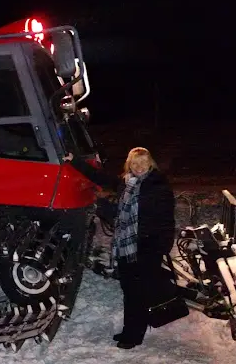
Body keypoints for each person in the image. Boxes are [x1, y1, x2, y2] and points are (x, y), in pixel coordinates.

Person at [63, 147, 176, 349]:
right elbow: (101, 177)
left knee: (137, 292)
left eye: (142, 163)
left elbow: (166, 221)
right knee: (129, 290)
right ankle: (130, 329)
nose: (139, 168)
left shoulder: (158, 187)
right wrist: (76, 161)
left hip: (146, 248)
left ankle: (134, 335)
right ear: (129, 165)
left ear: (150, 163)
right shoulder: (126, 183)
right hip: (125, 246)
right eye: (134, 164)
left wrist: (161, 248)